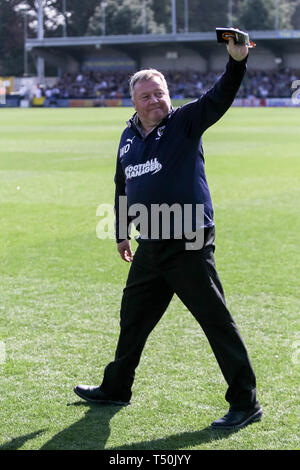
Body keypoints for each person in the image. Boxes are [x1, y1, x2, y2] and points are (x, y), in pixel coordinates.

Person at [74, 37, 263, 430]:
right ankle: (116, 388)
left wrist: (237, 62)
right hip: (151, 244)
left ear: (167, 95)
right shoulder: (127, 138)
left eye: (159, 93)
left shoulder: (184, 122)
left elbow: (219, 96)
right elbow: (122, 185)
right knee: (133, 319)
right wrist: (122, 232)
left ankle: (245, 402)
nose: (154, 100)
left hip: (189, 240)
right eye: (146, 96)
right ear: (134, 102)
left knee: (215, 322)